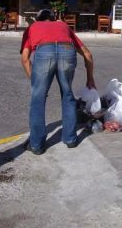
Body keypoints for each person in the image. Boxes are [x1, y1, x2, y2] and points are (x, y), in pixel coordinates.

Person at [20, 9, 96, 155]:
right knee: (67, 95)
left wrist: (35, 82)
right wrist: (90, 78)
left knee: (38, 99)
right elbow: (87, 53)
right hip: (67, 49)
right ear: (54, 19)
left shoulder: (32, 28)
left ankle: (36, 145)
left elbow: (25, 59)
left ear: (38, 20)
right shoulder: (63, 26)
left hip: (44, 52)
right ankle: (71, 139)